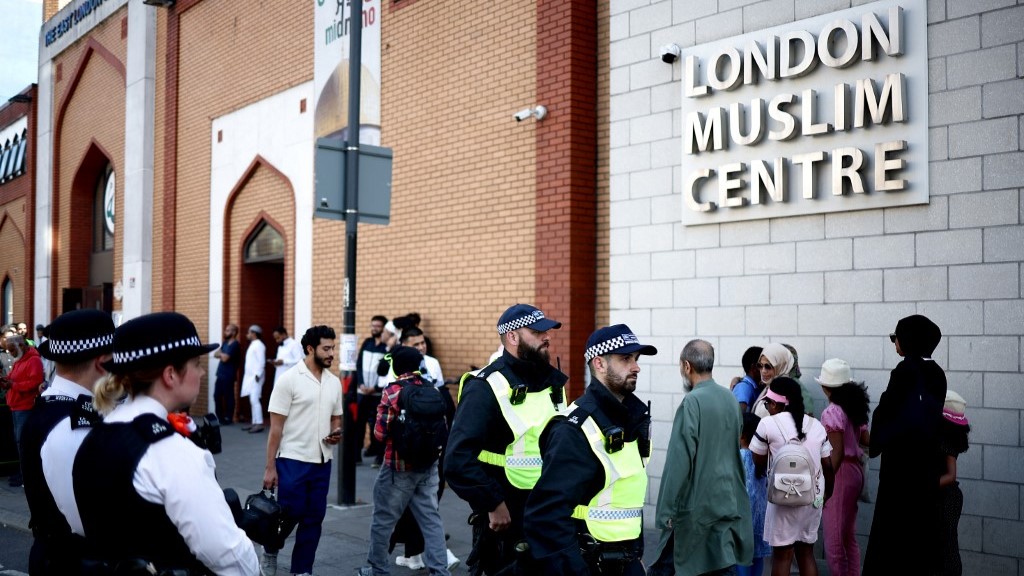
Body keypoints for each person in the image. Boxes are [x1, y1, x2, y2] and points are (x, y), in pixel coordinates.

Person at [72, 311, 259, 574]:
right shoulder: (171, 451)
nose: (202, 372)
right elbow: (228, 554)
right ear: (170, 375)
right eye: (196, 363)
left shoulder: (95, 436)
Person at [445, 304, 568, 575]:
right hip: (508, 516)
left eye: (547, 331)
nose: (546, 337)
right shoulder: (486, 386)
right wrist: (493, 503)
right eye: (537, 331)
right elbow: (457, 460)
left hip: (549, 510)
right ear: (513, 337)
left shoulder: (551, 382)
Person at [523, 324, 656, 575]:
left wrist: (635, 557)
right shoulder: (574, 430)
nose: (636, 366)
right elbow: (546, 518)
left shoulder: (631, 420)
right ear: (599, 364)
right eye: (626, 358)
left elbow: (624, 499)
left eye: (636, 359)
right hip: (590, 564)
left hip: (625, 561)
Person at [20, 309, 114, 574]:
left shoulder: (61, 407)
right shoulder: (70, 425)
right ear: (102, 362)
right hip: (71, 563)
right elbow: (92, 520)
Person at [650, 339, 753, 576]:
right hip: (726, 501)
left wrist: (665, 510)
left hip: (695, 507)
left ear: (687, 366)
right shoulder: (730, 399)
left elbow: (679, 460)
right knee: (720, 565)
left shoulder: (692, 402)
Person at [863, 314, 946, 576]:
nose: (894, 343)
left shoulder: (905, 370)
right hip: (926, 468)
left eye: (895, 337)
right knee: (919, 541)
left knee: (891, 541)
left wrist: (874, 440)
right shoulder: (937, 373)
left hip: (901, 469)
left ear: (907, 340)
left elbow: (887, 412)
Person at [358, 346, 452, 576]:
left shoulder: (393, 390)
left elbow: (379, 434)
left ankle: (378, 569)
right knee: (431, 519)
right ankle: (440, 571)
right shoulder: (431, 389)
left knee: (383, 520)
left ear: (396, 366)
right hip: (428, 465)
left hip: (397, 467)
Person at [261, 325, 343, 576]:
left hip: (322, 461)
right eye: (326, 348)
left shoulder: (334, 382)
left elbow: (336, 418)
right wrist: (270, 467)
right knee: (288, 515)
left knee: (314, 519)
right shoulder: (289, 380)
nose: (331, 353)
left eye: (333, 348)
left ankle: (302, 569)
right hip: (292, 460)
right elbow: (275, 429)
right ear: (310, 349)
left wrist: (336, 432)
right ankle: (270, 551)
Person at [390, 326, 460, 570]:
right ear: (405, 344)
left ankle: (415, 553)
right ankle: (420, 553)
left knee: (428, 499)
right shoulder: (396, 367)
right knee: (410, 504)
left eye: (423, 342)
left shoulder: (432, 363)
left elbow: (442, 401)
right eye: (416, 343)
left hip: (433, 442)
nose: (422, 347)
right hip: (407, 445)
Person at [749, 377, 833, 576]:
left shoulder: (767, 424)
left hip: (782, 498)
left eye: (768, 402)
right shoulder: (817, 425)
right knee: (806, 553)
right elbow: (828, 467)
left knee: (782, 555)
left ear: (778, 402)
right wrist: (827, 494)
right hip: (812, 499)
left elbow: (757, 460)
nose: (767, 407)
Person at [815, 358, 870, 576]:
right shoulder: (853, 408)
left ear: (825, 386)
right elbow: (866, 439)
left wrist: (826, 483)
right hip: (855, 471)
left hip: (840, 473)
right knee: (848, 537)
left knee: (834, 540)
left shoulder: (832, 412)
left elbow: (835, 451)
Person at [5, 333, 45, 487]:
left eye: (12, 350)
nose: (10, 353)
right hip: (16, 405)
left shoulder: (33, 360)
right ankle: (23, 472)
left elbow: (34, 383)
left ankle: (26, 473)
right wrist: (6, 381)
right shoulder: (19, 360)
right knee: (19, 441)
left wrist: (13, 385)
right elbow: (13, 377)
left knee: (23, 441)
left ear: (21, 346)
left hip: (26, 406)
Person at [939, 390, 970, 576]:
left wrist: (925, 485)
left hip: (945, 498)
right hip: (946, 497)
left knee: (945, 547)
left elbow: (951, 475)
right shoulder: (948, 440)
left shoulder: (947, 442)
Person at [738, 412, 769, 576]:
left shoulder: (739, 456)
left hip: (743, 517)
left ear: (741, 435)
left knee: (742, 558)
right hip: (761, 516)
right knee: (758, 557)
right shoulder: (762, 457)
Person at [357, 315, 389, 465]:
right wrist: (361, 384)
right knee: (358, 424)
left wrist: (375, 388)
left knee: (376, 425)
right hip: (362, 392)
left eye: (377, 326)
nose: (374, 328)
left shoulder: (386, 348)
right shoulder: (367, 343)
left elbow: (387, 371)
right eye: (373, 325)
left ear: (384, 328)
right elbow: (358, 365)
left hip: (377, 394)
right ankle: (357, 455)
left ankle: (378, 457)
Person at [752, 343, 794, 419]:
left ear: (781, 366)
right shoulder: (771, 386)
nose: (763, 371)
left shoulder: (782, 391)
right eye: (760, 365)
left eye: (768, 366)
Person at [213, 323, 241, 425]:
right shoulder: (225, 343)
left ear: (234, 332)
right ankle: (220, 418)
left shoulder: (235, 345)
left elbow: (225, 358)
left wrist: (221, 355)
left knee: (228, 397)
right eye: (226, 330)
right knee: (216, 396)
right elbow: (215, 354)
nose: (226, 332)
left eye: (228, 330)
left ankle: (229, 418)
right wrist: (222, 354)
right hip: (220, 374)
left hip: (229, 375)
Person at [241, 325, 267, 433]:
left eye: (249, 332)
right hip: (251, 377)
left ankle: (259, 423)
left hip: (256, 376)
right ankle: (254, 422)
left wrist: (258, 374)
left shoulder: (259, 345)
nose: (247, 334)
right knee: (252, 400)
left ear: (254, 334)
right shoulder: (253, 344)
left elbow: (261, 362)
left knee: (254, 400)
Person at [732, 346, 763, 413]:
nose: (764, 370)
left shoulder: (756, 386)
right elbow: (739, 418)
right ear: (754, 368)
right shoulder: (743, 388)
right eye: (762, 366)